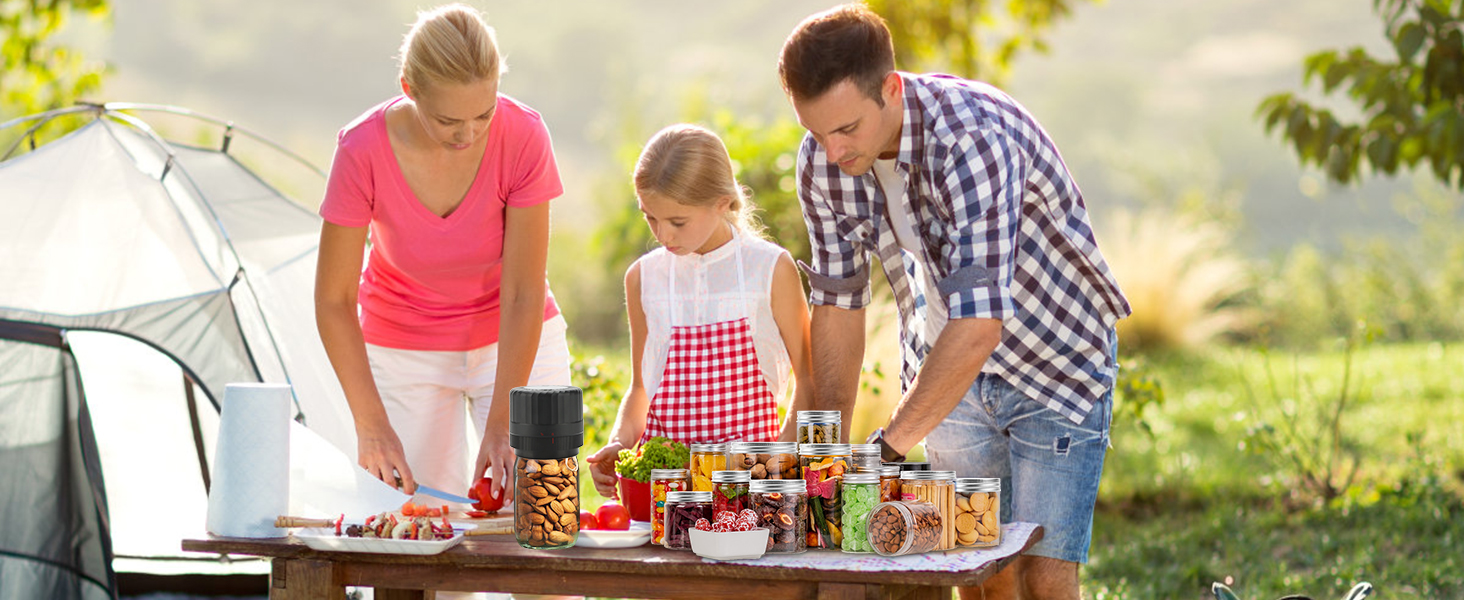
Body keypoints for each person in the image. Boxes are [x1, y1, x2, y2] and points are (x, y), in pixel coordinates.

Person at [777, 5, 1130, 600]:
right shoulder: (824, 163)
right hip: (948, 372)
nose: (832, 151)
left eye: (846, 129)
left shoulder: (972, 139)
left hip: (1055, 363)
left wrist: (886, 451)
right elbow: (837, 303)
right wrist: (828, 452)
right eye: (816, 131)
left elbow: (979, 324)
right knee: (980, 568)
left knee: (1043, 577)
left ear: (890, 88)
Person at [315, 3, 571, 505]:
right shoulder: (360, 149)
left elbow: (521, 292)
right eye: (448, 119)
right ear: (409, 88)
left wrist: (506, 423)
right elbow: (333, 300)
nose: (468, 134)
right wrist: (371, 425)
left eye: (484, 113)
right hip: (404, 346)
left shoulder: (524, 134)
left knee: (546, 516)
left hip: (517, 338)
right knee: (414, 523)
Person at [585, 124, 815, 500]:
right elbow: (642, 388)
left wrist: (777, 463)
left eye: (677, 221)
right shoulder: (643, 277)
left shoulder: (770, 268)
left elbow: (808, 381)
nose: (663, 235)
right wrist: (618, 443)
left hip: (750, 490)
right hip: (667, 495)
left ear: (723, 202)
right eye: (650, 217)